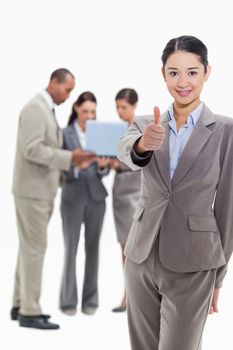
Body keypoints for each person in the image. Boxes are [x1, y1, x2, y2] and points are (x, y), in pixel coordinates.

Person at [117, 35, 233, 350]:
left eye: (192, 72)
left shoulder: (226, 130)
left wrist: (218, 277)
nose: (182, 82)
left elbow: (227, 209)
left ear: (207, 72)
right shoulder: (143, 124)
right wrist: (144, 144)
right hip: (141, 257)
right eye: (174, 72)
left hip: (194, 261)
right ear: (163, 73)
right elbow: (126, 153)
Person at [11, 69, 96, 330]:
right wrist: (70, 158)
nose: (68, 96)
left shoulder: (46, 110)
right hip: (33, 191)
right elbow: (32, 149)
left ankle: (19, 304)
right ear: (53, 82)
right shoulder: (36, 108)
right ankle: (30, 311)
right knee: (35, 249)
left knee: (28, 249)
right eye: (67, 90)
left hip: (39, 190)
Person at [59, 91, 110, 316]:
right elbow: (58, 164)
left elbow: (106, 169)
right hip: (72, 196)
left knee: (93, 249)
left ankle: (90, 299)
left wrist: (101, 165)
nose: (89, 115)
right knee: (71, 249)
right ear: (76, 109)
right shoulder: (64, 134)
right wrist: (75, 168)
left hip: (96, 198)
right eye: (86, 110)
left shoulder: (99, 134)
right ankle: (68, 301)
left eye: (93, 111)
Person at [110, 89, 141, 312]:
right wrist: (108, 164)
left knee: (135, 246)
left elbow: (141, 160)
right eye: (117, 107)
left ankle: (136, 295)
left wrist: (119, 163)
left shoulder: (140, 129)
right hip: (120, 191)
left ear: (134, 106)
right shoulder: (115, 131)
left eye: (124, 107)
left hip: (136, 191)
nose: (120, 112)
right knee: (124, 246)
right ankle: (128, 294)